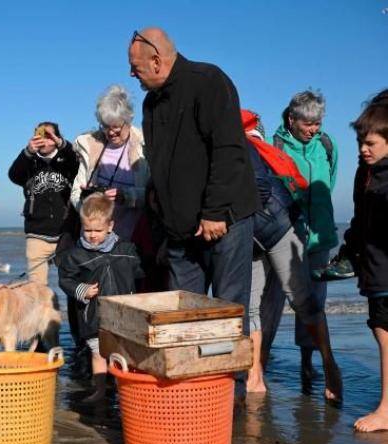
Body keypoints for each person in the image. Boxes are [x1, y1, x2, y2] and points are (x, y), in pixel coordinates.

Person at [128, 28, 258, 333]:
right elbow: (160, 168)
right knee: (183, 318)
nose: (132, 74)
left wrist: (215, 211)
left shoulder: (208, 81)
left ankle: (231, 382)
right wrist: (162, 228)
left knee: (226, 314)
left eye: (136, 67)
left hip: (224, 222)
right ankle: (191, 382)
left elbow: (229, 150)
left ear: (157, 62)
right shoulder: (151, 104)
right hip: (180, 234)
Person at [242, 110, 342, 400]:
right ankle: (255, 374)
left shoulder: (255, 150)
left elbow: (267, 192)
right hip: (251, 240)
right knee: (254, 307)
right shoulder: (265, 146)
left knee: (301, 299)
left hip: (278, 230)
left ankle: (329, 365)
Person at [58, 192, 144, 403]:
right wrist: (81, 290)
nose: (92, 235)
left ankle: (125, 391)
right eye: (87, 230)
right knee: (98, 354)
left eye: (98, 230)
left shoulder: (126, 250)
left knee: (124, 355)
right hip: (93, 315)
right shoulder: (76, 255)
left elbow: (140, 273)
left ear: (110, 226)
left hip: (123, 314)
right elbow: (65, 280)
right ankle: (100, 390)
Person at [341, 90, 388, 432]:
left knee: (386, 334)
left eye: (370, 142)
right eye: (360, 142)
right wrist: (348, 251)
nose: (363, 149)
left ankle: (386, 410)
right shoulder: (365, 174)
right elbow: (359, 221)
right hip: (374, 266)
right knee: (381, 330)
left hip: (385, 270)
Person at [71, 85, 150, 241]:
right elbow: (75, 195)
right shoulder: (90, 147)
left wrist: (127, 196)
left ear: (128, 121)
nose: (111, 132)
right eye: (105, 126)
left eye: (116, 127)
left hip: (134, 238)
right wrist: (88, 202)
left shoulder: (146, 147)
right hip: (96, 241)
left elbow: (156, 195)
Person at [8, 122, 78, 285]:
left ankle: (71, 312)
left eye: (48, 136)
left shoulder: (67, 163)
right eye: (40, 135)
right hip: (37, 234)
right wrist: (28, 152)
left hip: (65, 234)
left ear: (56, 139)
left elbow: (79, 163)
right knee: (36, 288)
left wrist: (62, 144)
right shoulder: (29, 163)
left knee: (72, 283)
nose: (44, 140)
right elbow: (13, 175)